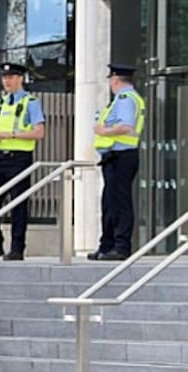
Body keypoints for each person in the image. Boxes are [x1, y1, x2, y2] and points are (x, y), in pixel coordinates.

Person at [0, 62, 46, 261]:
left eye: (11, 77)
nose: (7, 81)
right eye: (4, 77)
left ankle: (17, 248)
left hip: (18, 159)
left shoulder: (30, 102)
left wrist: (13, 134)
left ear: (20, 79)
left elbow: (39, 132)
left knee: (18, 205)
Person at [87, 64, 146, 261]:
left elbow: (126, 126)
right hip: (114, 158)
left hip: (121, 156)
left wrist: (103, 131)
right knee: (110, 202)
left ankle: (120, 247)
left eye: (111, 80)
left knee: (119, 203)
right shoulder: (126, 99)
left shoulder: (124, 99)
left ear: (115, 80)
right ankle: (107, 245)